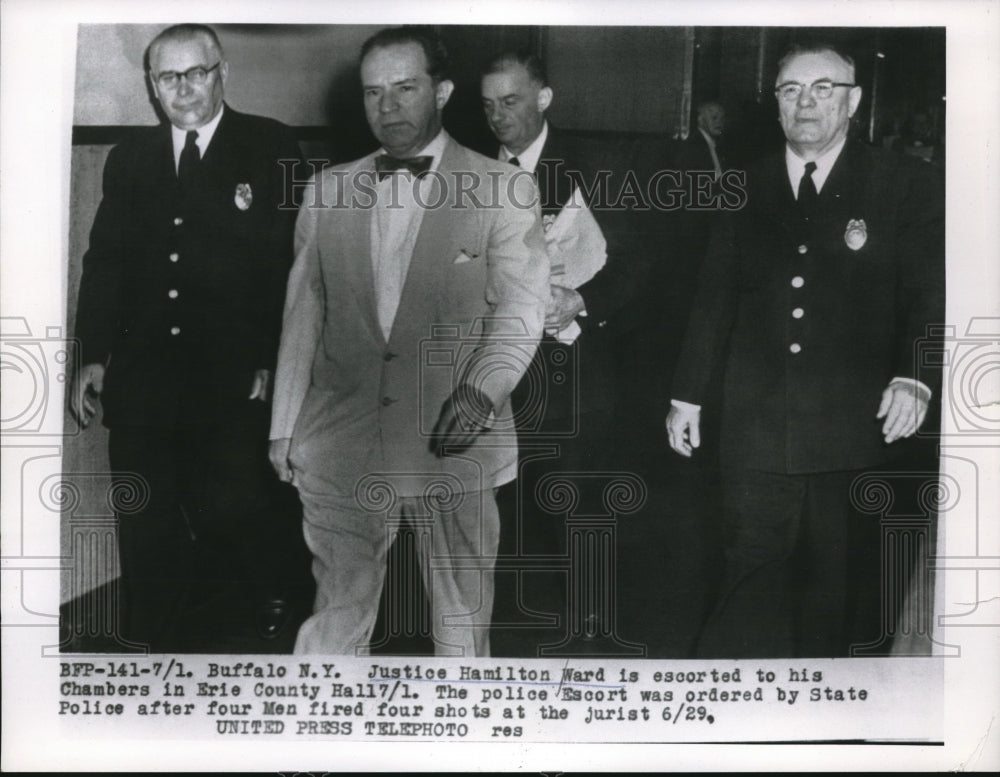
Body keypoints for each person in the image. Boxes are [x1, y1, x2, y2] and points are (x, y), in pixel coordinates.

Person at [269, 27, 549, 657]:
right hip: (340, 435)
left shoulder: (503, 188)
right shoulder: (327, 189)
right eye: (373, 93)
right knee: (334, 619)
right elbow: (303, 312)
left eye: (405, 88)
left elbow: (521, 309)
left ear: (443, 91)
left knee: (460, 621)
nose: (388, 107)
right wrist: (284, 426)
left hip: (455, 434)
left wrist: (481, 391)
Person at [665, 43, 944, 658]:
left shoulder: (906, 185)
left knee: (838, 599)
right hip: (755, 430)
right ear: (776, 104)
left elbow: (932, 294)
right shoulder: (744, 186)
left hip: (855, 430)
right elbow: (714, 298)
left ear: (854, 101)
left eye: (823, 88)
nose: (806, 102)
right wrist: (687, 394)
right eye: (791, 90)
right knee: (745, 585)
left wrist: (915, 378)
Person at [70, 24, 304, 650]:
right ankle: (155, 637)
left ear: (221, 71)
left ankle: (270, 599)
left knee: (237, 506)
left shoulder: (271, 146)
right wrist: (93, 356)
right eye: (167, 77)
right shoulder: (130, 159)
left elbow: (295, 267)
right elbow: (106, 263)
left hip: (233, 377)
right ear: (151, 86)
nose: (183, 88)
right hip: (145, 377)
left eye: (195, 72)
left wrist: (273, 360)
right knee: (144, 515)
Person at [480, 51, 651, 655]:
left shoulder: (597, 164)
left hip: (575, 369)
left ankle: (590, 639)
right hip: (501, 372)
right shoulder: (475, 172)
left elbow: (639, 265)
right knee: (507, 507)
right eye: (490, 104)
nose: (500, 116)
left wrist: (581, 298)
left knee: (576, 509)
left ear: (544, 99)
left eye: (513, 101)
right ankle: (514, 639)